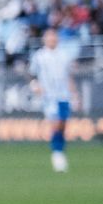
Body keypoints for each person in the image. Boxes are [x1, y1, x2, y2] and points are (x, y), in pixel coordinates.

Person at [28, 27, 78, 174]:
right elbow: (31, 73)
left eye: (53, 36)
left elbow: (68, 76)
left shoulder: (64, 55)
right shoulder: (39, 56)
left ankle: (60, 149)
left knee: (63, 123)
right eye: (49, 37)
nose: (52, 39)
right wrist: (34, 85)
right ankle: (57, 154)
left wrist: (74, 94)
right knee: (55, 123)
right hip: (49, 96)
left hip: (64, 94)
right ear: (44, 39)